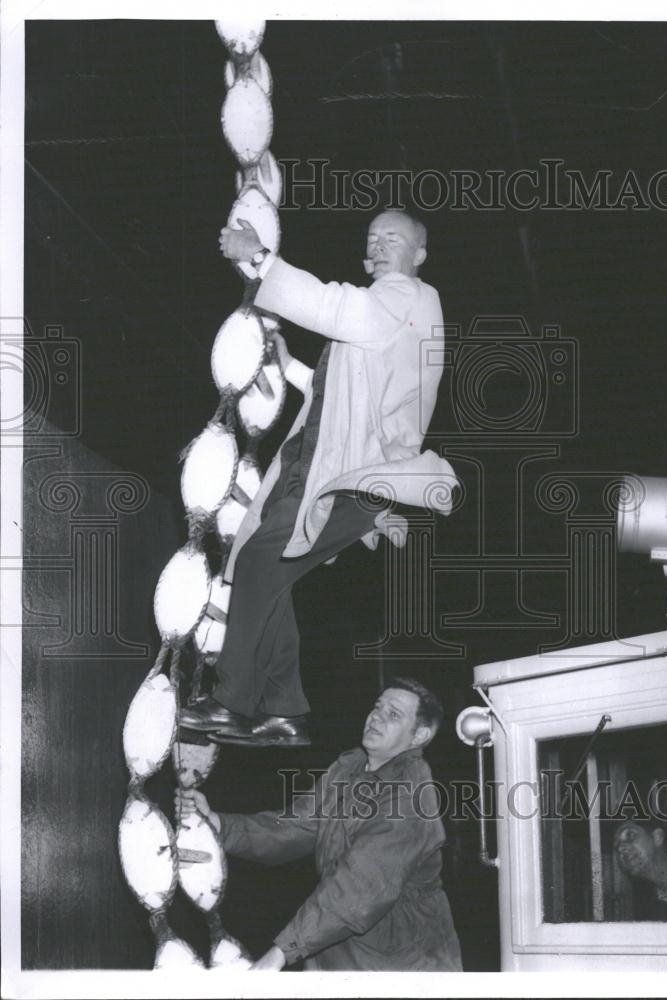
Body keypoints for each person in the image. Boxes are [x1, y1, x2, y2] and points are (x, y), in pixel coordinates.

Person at [180, 210, 457, 746]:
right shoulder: (392, 311)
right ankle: (283, 711)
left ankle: (233, 702)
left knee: (262, 560)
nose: (377, 247)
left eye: (392, 239)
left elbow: (339, 308)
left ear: (419, 255)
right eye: (372, 238)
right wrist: (290, 369)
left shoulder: (409, 296)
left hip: (346, 477)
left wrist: (259, 258)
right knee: (269, 570)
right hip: (329, 472)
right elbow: (348, 394)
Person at [176, 677, 464, 971]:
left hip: (402, 966)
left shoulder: (410, 797)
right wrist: (219, 825)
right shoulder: (350, 767)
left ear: (419, 736)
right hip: (337, 949)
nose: (377, 716)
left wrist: (280, 954)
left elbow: (358, 891)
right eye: (378, 707)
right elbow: (294, 827)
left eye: (393, 715)